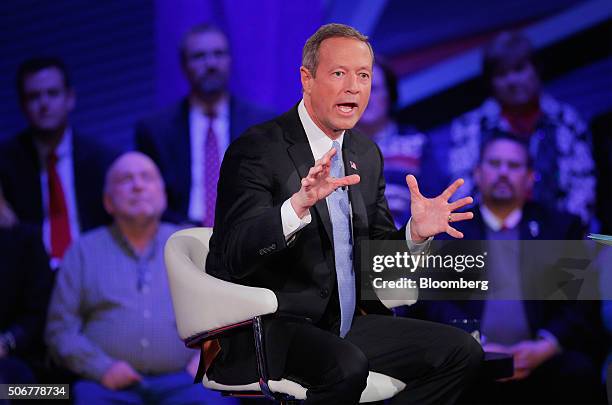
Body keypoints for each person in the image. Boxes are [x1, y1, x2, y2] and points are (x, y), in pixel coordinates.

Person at [205, 23, 483, 404]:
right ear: (307, 79)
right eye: (339, 73)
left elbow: (375, 265)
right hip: (274, 329)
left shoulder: (366, 155)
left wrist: (413, 236)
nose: (354, 87)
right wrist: (296, 208)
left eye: (363, 75)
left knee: (462, 353)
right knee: (346, 366)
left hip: (347, 325)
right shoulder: (257, 149)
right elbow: (234, 255)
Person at [45, 152, 235, 404]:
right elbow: (59, 330)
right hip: (105, 386)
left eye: (147, 178)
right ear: (107, 202)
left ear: (163, 195)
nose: (137, 185)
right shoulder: (83, 252)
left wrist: (207, 356)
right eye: (125, 179)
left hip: (186, 382)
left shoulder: (194, 243)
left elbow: (230, 313)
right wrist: (101, 368)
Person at [430, 132, 603, 403]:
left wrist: (546, 346)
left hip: (542, 359)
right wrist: (478, 343)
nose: (502, 172)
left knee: (579, 371)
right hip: (471, 357)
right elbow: (436, 304)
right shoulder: (452, 229)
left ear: (529, 176)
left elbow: (579, 303)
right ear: (478, 172)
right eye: (494, 164)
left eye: (513, 166)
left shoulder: (561, 228)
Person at [448, 31, 595, 226]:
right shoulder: (470, 127)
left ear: (536, 69)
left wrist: (563, 235)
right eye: (501, 74)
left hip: (560, 237)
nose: (512, 81)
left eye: (519, 69)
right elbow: (462, 193)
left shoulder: (567, 121)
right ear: (490, 82)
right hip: (489, 237)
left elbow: (582, 189)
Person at [135, 23, 275, 226]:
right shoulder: (155, 131)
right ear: (184, 66)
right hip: (180, 237)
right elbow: (149, 199)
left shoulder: (262, 123)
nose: (211, 64)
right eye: (199, 56)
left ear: (230, 61)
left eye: (218, 54)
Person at [0, 57, 118, 266]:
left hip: (91, 270)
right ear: (22, 105)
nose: (44, 104)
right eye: (33, 96)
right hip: (30, 274)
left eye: (52, 93)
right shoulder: (6, 162)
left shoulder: (102, 160)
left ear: (70, 98)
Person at [355, 60, 427, 227]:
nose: (365, 97)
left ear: (390, 95)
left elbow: (436, 199)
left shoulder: (418, 144)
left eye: (373, 89)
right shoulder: (333, 148)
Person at [0, 183, 53, 385]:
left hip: (16, 359)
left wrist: (6, 342)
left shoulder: (24, 240)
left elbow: (38, 312)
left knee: (56, 393)